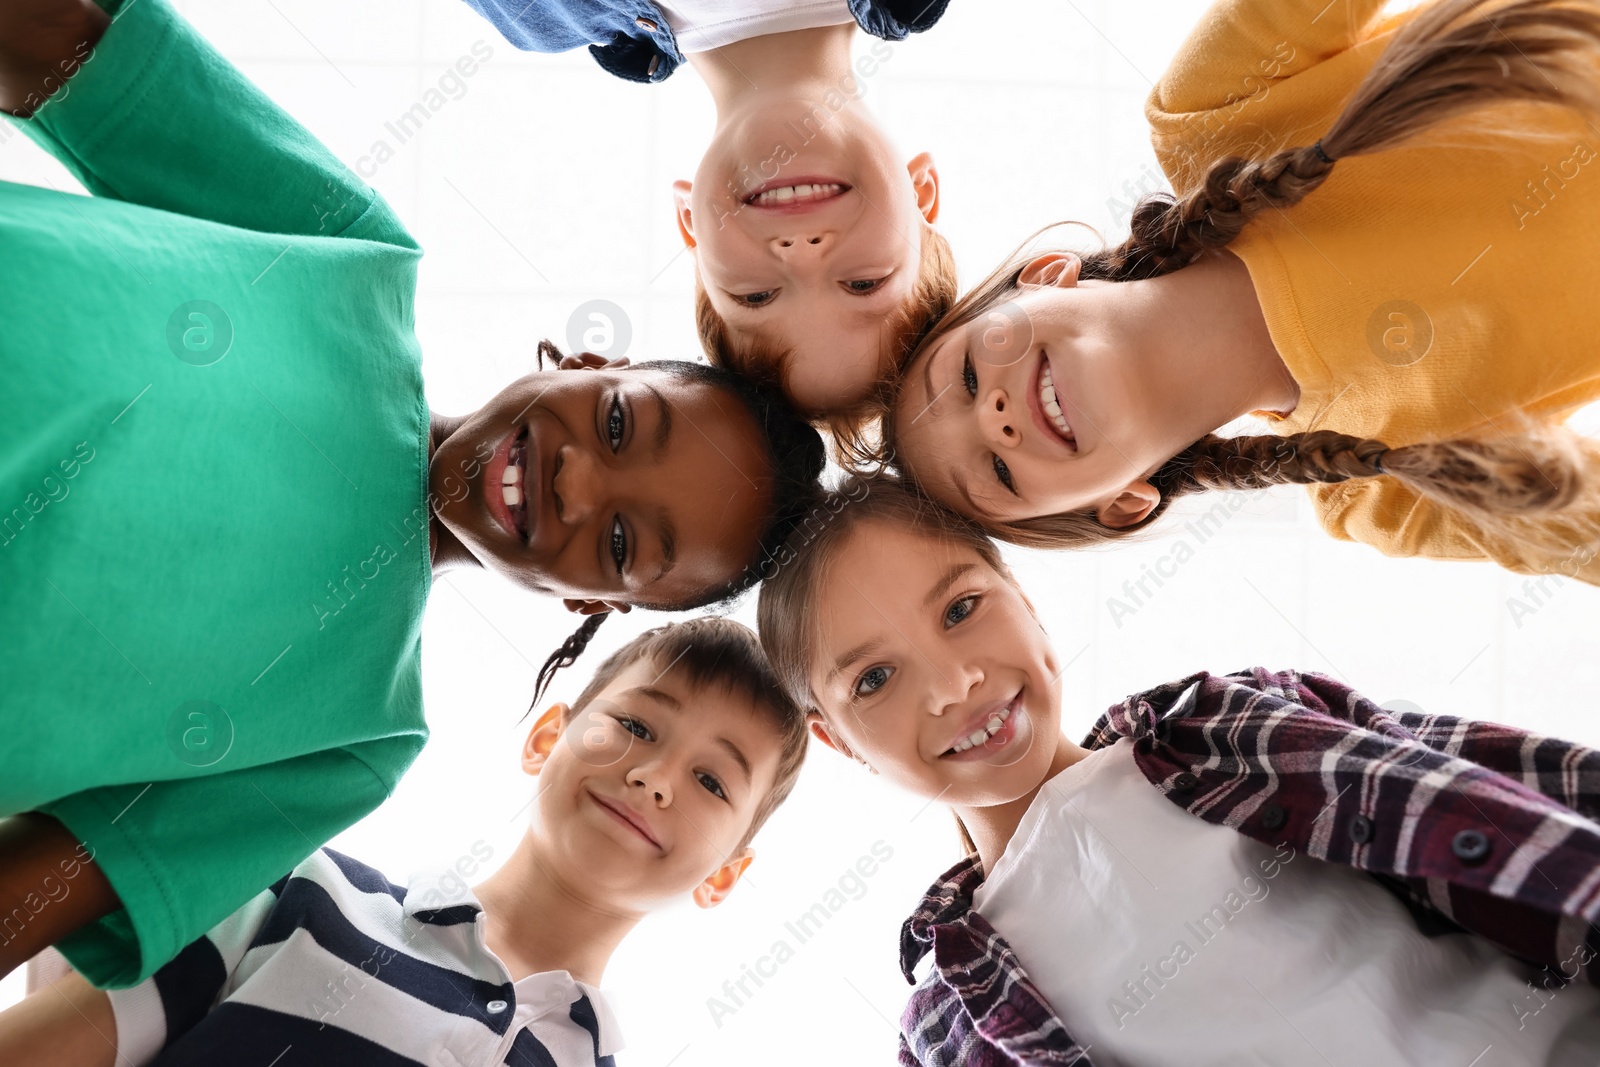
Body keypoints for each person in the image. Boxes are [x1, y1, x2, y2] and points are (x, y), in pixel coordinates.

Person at [0, 0, 825, 990]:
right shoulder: (349, 252)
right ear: (588, 359)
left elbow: (36, 890)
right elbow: (58, 55)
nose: (576, 478)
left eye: (618, 542)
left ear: (592, 602)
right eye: (615, 422)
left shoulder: (350, 739)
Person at [757, 478, 1600, 1065]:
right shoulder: (950, 1021)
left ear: (1024, 594)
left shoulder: (1218, 729)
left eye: (961, 608)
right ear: (840, 744)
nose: (953, 684)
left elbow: (1509, 788)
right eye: (874, 677)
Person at [883, 0, 1600, 584]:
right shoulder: (1378, 493)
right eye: (1000, 472)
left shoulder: (1212, 110)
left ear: (1044, 274)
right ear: (1124, 503)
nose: (998, 420)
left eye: (969, 376)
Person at [0, 617, 809, 1066]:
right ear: (545, 737)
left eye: (712, 781)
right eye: (635, 725)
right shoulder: (296, 891)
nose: (657, 777)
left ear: (727, 876)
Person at [459, 0, 959, 419]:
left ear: (690, 222)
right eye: (863, 284)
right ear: (921, 193)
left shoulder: (538, 16)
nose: (802, 253)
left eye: (758, 295)